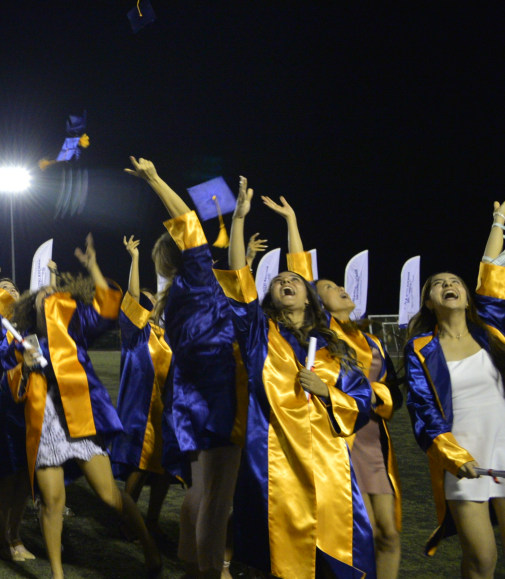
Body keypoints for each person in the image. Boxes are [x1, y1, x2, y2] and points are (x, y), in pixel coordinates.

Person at [206, 171, 375, 579]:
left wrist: (328, 393)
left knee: (336, 555)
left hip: (330, 463)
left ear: (310, 295)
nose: (286, 280)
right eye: (279, 280)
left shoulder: (333, 344)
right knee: (281, 557)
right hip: (274, 459)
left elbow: (363, 403)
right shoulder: (259, 333)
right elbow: (239, 284)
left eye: (294, 281)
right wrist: (241, 217)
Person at [7, 237, 161, 579]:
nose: (50, 297)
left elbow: (108, 304)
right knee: (53, 503)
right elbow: (11, 385)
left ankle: (151, 550)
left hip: (81, 421)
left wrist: (93, 266)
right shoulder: (22, 342)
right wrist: (25, 367)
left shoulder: (76, 327)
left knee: (109, 497)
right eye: (43, 296)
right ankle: (58, 575)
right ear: (32, 306)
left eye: (55, 295)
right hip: (45, 426)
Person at [268, 199, 403, 579]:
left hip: (371, 435)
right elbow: (301, 275)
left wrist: (373, 395)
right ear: (316, 300)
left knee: (389, 531)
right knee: (345, 529)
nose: (339, 289)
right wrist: (293, 222)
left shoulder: (372, 341)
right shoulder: (323, 332)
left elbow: (394, 392)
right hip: (333, 439)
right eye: (328, 287)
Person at [124, 159, 244, 579]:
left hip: (193, 397)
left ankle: (192, 562)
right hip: (216, 396)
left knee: (201, 489)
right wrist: (156, 179)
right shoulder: (196, 281)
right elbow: (186, 222)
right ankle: (212, 570)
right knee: (219, 496)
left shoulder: (179, 295)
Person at [404, 201, 505, 579]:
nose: (449, 285)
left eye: (455, 282)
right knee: (481, 561)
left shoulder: (490, 330)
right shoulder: (420, 348)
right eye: (439, 284)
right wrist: (451, 456)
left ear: (465, 294)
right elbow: (423, 410)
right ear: (429, 301)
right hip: (464, 460)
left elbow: (493, 275)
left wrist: (499, 222)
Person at [110, 236, 177, 541]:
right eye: (145, 302)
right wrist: (135, 257)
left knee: (164, 468)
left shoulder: (166, 334)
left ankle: (151, 520)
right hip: (140, 410)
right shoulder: (137, 333)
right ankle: (127, 519)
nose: (147, 302)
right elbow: (133, 294)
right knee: (139, 464)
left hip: (166, 410)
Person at [0, 263, 35, 562]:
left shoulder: (26, 326)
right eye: (4, 289)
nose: (10, 292)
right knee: (7, 475)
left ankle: (15, 534)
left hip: (28, 406)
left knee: (25, 476)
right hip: (5, 404)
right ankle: (0, 536)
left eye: (14, 288)